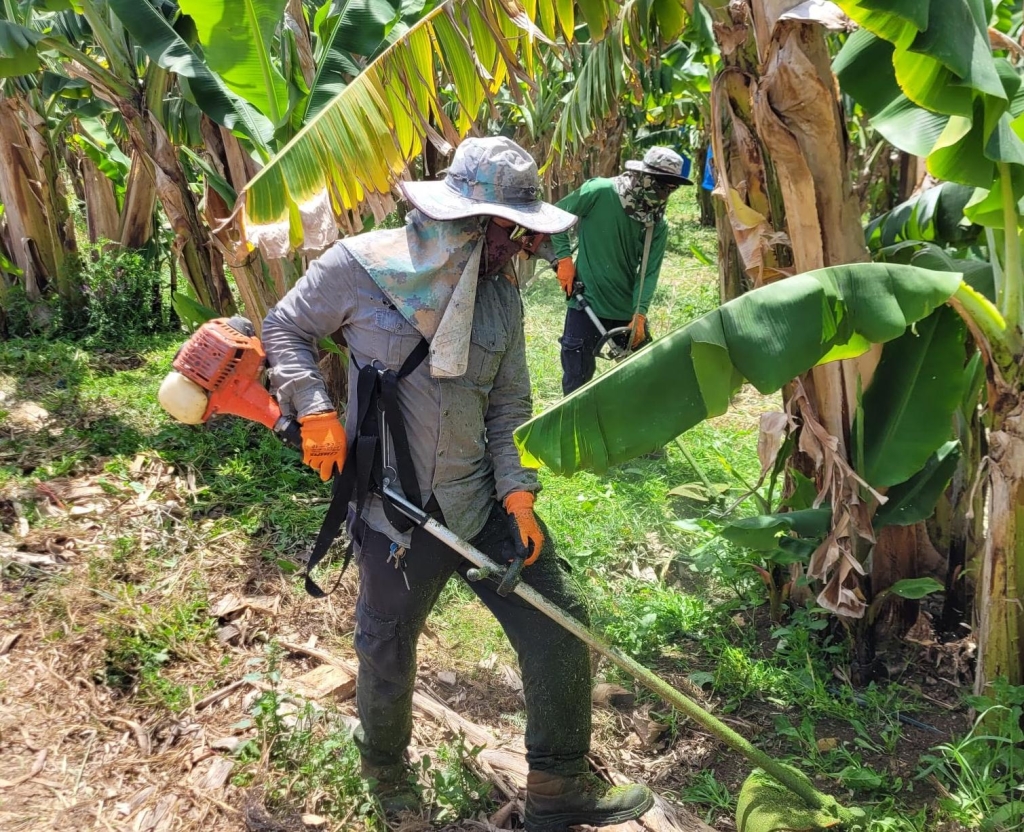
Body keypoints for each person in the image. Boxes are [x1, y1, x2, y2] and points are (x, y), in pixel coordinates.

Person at [261, 137, 654, 832]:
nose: (523, 247)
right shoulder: (359, 266)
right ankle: (387, 779)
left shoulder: (501, 303)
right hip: (395, 513)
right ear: (467, 220)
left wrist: (520, 493)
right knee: (386, 647)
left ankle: (557, 790)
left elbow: (508, 407)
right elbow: (285, 326)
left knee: (560, 627)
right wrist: (314, 408)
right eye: (511, 228)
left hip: (479, 505)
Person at [551, 146, 692, 395]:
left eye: (672, 187)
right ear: (644, 175)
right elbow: (556, 216)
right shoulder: (600, 191)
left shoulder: (656, 223)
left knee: (643, 387)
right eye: (661, 184)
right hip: (586, 303)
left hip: (625, 311)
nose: (664, 193)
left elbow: (648, 273)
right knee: (576, 381)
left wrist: (639, 314)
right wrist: (564, 259)